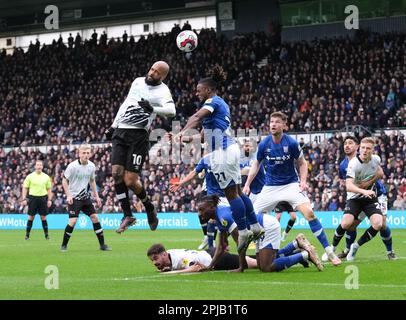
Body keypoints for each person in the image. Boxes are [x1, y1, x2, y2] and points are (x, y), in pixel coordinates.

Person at [176, 64, 263, 255]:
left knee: (232, 195)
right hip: (228, 149)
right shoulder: (218, 106)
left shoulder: (213, 102)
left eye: (199, 90)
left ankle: (243, 231)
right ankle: (255, 227)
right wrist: (182, 137)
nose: (196, 93)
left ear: (208, 90)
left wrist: (181, 130)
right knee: (238, 192)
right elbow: (201, 136)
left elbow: (197, 116)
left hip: (223, 152)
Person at [243, 111, 341, 266]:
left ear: (284, 125)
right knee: (252, 217)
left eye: (277, 122)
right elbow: (256, 164)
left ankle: (329, 251)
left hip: (290, 185)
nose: (273, 124)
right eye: (271, 122)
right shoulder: (264, 144)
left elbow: (302, 163)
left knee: (310, 213)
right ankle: (259, 251)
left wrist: (303, 181)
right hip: (270, 187)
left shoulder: (292, 143)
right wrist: (247, 184)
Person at [105, 61, 176, 233]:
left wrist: (153, 109)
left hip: (138, 135)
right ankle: (127, 215)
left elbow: (171, 111)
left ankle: (149, 208)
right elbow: (126, 103)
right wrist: (113, 125)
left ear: (163, 76)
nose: (151, 73)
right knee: (116, 173)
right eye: (151, 69)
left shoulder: (163, 91)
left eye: (156, 72)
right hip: (121, 130)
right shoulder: (137, 82)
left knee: (130, 181)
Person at [197, 194, 323, 272]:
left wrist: (241, 267)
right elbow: (221, 246)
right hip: (261, 227)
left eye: (202, 210)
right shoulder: (219, 217)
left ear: (212, 207)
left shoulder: (223, 216)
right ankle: (295, 244)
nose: (199, 213)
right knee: (262, 261)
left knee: (266, 267)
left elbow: (241, 242)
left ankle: (305, 254)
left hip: (267, 227)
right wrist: (210, 266)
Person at [322, 136, 397, 261]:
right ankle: (347, 250)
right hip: (358, 196)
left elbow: (380, 173)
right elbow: (347, 184)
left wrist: (367, 185)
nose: (347, 146)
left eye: (350, 143)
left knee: (382, 224)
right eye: (345, 143)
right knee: (350, 225)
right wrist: (357, 190)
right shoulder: (343, 165)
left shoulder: (373, 158)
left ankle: (390, 251)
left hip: (377, 194)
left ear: (357, 147)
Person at [61, 144, 111, 252]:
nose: (86, 155)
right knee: (73, 221)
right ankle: (64, 245)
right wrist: (68, 195)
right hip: (74, 197)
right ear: (79, 154)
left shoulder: (91, 166)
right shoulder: (72, 166)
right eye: (84, 153)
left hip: (85, 197)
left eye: (88, 153)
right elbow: (64, 180)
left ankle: (102, 245)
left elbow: (92, 181)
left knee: (95, 217)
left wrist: (96, 196)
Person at [147, 243, 257, 274]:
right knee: (247, 259)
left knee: (254, 263)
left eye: (156, 258)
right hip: (209, 253)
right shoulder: (169, 254)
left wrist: (171, 272)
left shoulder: (180, 259)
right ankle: (271, 255)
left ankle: (273, 262)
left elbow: (196, 267)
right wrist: (168, 268)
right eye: (152, 260)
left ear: (164, 254)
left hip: (216, 260)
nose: (154, 262)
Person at [21, 160, 53, 240]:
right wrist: (24, 198)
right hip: (33, 198)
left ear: (42, 166)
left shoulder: (46, 177)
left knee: (43, 217)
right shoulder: (30, 176)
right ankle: (27, 235)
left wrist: (49, 200)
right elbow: (25, 187)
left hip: (42, 198)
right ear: (35, 166)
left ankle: (46, 235)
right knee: (31, 217)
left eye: (40, 165)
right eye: (37, 165)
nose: (39, 166)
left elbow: (49, 189)